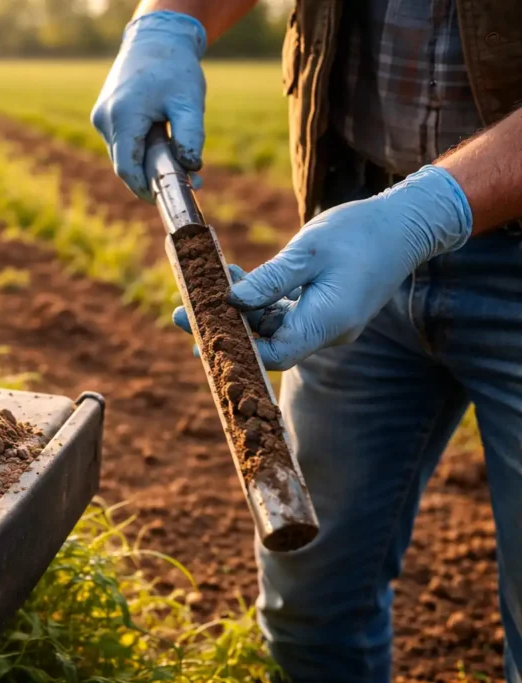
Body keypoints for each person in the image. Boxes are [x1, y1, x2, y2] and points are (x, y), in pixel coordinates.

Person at [92, 1, 522, 681]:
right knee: (310, 610)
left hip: (432, 230)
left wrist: (432, 208)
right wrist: (168, 21)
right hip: (353, 225)